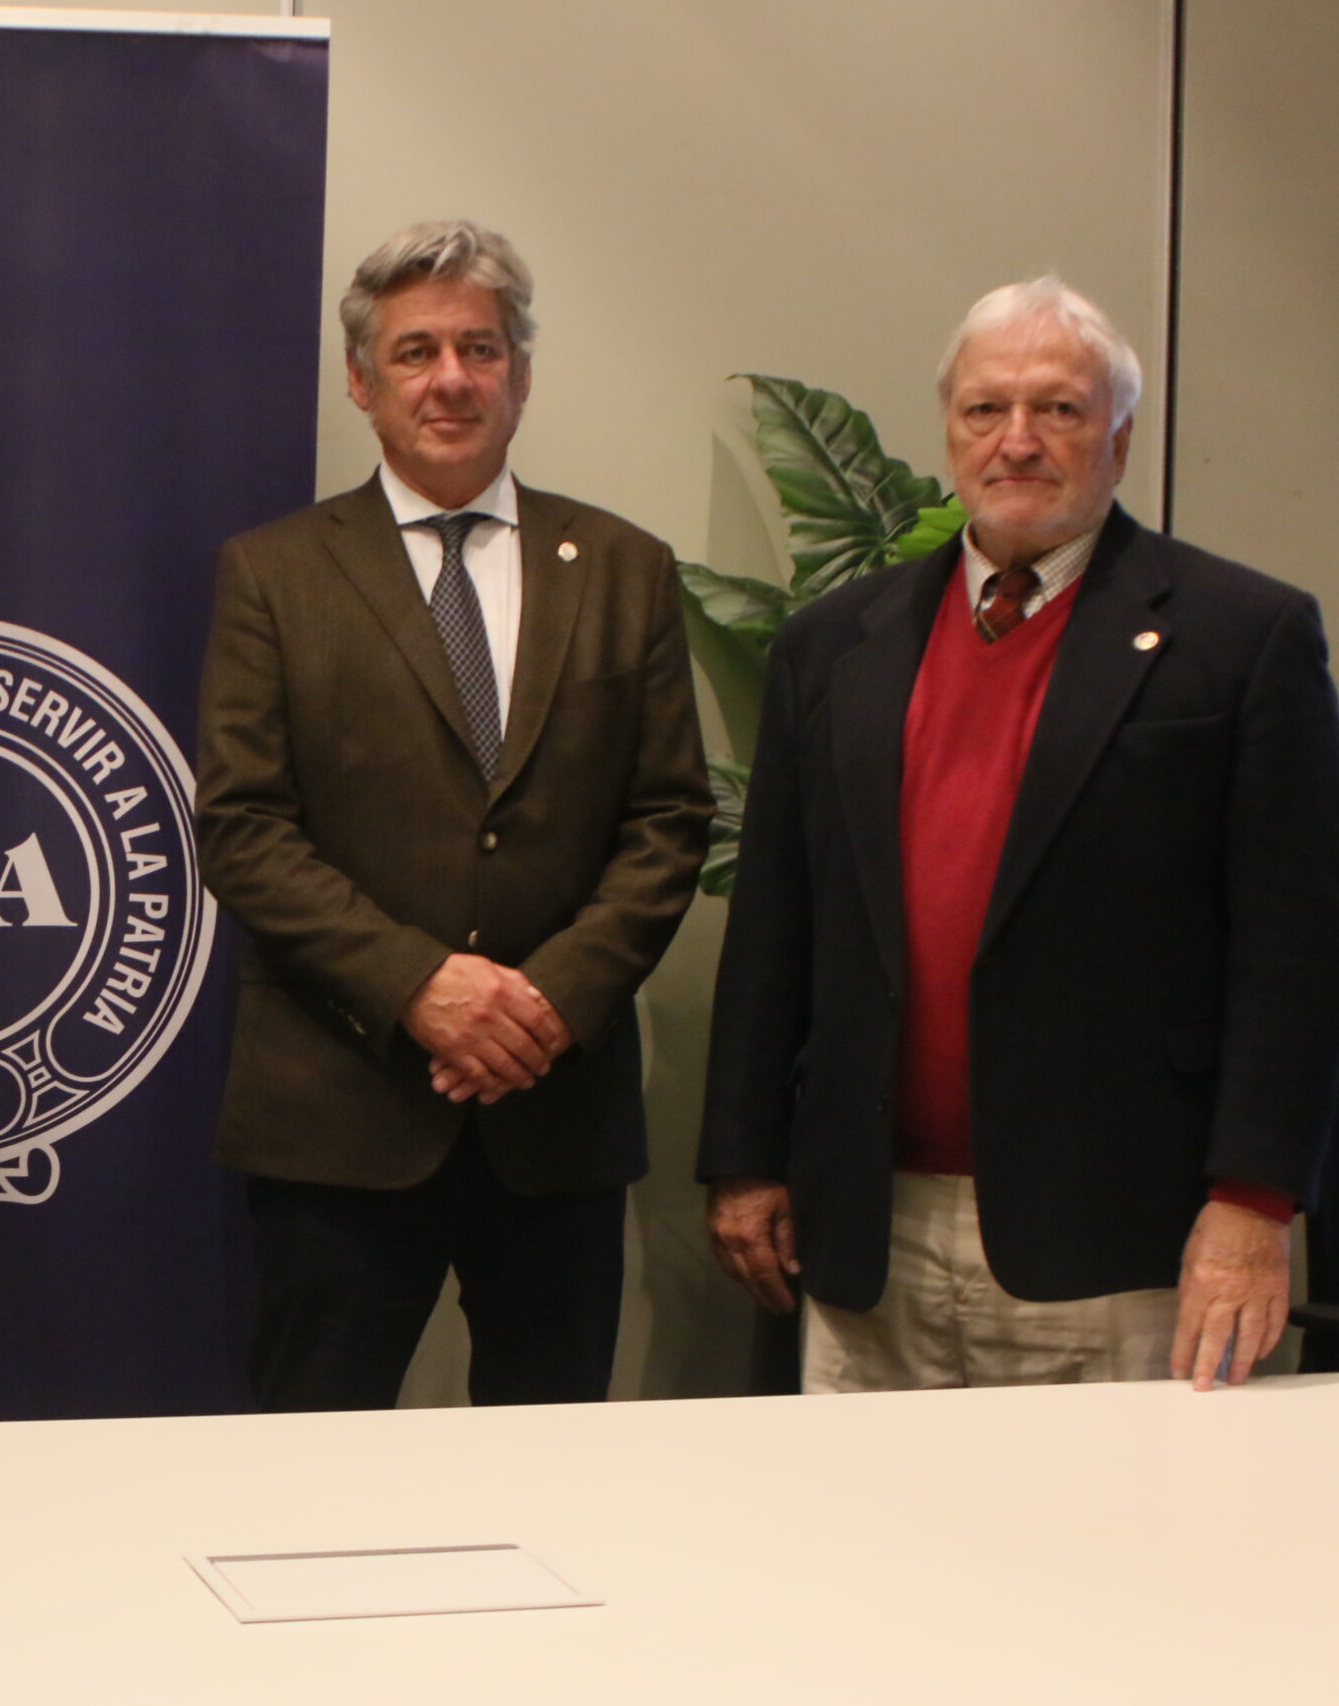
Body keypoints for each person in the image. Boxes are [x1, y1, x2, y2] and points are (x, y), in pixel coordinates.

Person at [700, 276, 1339, 1392]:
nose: (1018, 440)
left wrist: (1253, 1203)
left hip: (1124, 1234)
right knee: (866, 1506)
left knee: (1121, 1511)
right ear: (950, 431)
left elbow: (1297, 947)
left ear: (1119, 440)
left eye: (1059, 409)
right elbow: (776, 925)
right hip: (870, 1229)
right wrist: (745, 1160)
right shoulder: (834, 644)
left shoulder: (1243, 638)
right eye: (986, 409)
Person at [195, 220, 713, 1411]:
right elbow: (245, 826)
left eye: (479, 349)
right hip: (339, 1113)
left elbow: (667, 820)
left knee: (550, 1467)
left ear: (518, 376)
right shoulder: (273, 572)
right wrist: (420, 987)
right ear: (361, 381)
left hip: (554, 1115)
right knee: (311, 1465)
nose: (450, 379)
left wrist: (548, 1003)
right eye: (415, 351)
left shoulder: (624, 567)